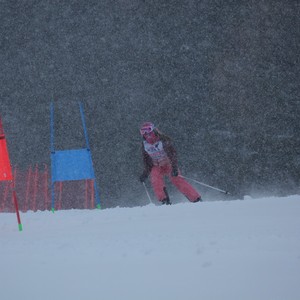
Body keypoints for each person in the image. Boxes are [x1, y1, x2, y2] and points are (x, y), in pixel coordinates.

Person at [139, 122, 202, 204]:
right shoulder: (145, 145)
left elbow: (172, 154)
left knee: (176, 179)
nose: (147, 134)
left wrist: (174, 168)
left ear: (153, 130)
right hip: (157, 165)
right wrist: (145, 173)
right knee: (155, 179)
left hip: (168, 163)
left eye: (148, 130)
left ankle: (195, 199)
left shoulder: (162, 140)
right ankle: (164, 200)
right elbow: (147, 160)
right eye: (143, 132)